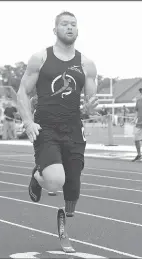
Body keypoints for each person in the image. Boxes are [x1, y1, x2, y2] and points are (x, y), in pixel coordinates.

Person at [17, 11, 98, 217]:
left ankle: (68, 215)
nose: (69, 27)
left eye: (73, 24)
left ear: (78, 30)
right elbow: (23, 92)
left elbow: (90, 103)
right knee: (54, 182)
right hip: (46, 127)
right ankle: (38, 176)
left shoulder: (87, 64)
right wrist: (28, 122)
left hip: (73, 128)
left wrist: (90, 110)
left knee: (73, 182)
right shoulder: (40, 58)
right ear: (55, 30)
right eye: (64, 24)